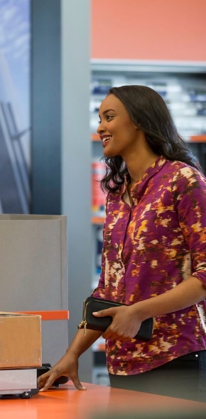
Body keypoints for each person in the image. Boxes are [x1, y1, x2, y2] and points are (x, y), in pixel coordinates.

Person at [38, 85, 206, 401]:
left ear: (140, 120)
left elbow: (205, 276)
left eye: (109, 117)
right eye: (99, 118)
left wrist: (139, 312)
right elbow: (108, 290)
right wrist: (72, 354)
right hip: (123, 364)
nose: (101, 126)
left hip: (176, 361)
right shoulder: (117, 196)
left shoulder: (183, 181)